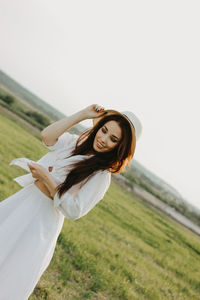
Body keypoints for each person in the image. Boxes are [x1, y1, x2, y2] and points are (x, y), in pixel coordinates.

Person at [0, 104, 142, 300]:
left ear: (120, 147)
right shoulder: (75, 144)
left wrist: (46, 177)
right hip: (25, 201)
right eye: (104, 130)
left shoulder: (101, 175)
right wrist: (82, 114)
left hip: (42, 219)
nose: (103, 139)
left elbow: (75, 210)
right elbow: (47, 136)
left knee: (13, 270)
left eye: (113, 139)